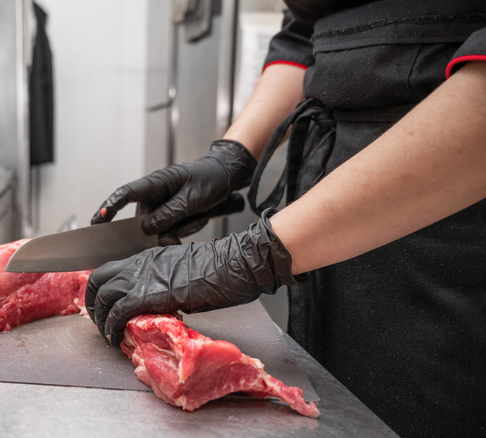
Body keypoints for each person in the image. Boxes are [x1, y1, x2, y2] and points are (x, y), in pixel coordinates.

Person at [84, 1, 486, 436]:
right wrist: (233, 155)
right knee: (324, 405)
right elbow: (304, 34)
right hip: (325, 208)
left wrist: (254, 255)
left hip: (446, 212)